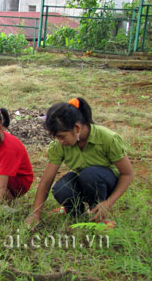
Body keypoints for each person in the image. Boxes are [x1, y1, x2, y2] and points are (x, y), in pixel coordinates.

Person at [25, 97, 134, 228]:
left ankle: (100, 215)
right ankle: (75, 212)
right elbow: (46, 181)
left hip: (106, 182)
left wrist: (108, 203)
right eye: (56, 137)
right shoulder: (59, 145)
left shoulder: (107, 138)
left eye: (61, 136)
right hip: (84, 179)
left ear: (77, 128)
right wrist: (35, 214)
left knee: (90, 174)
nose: (60, 141)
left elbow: (127, 174)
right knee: (61, 188)